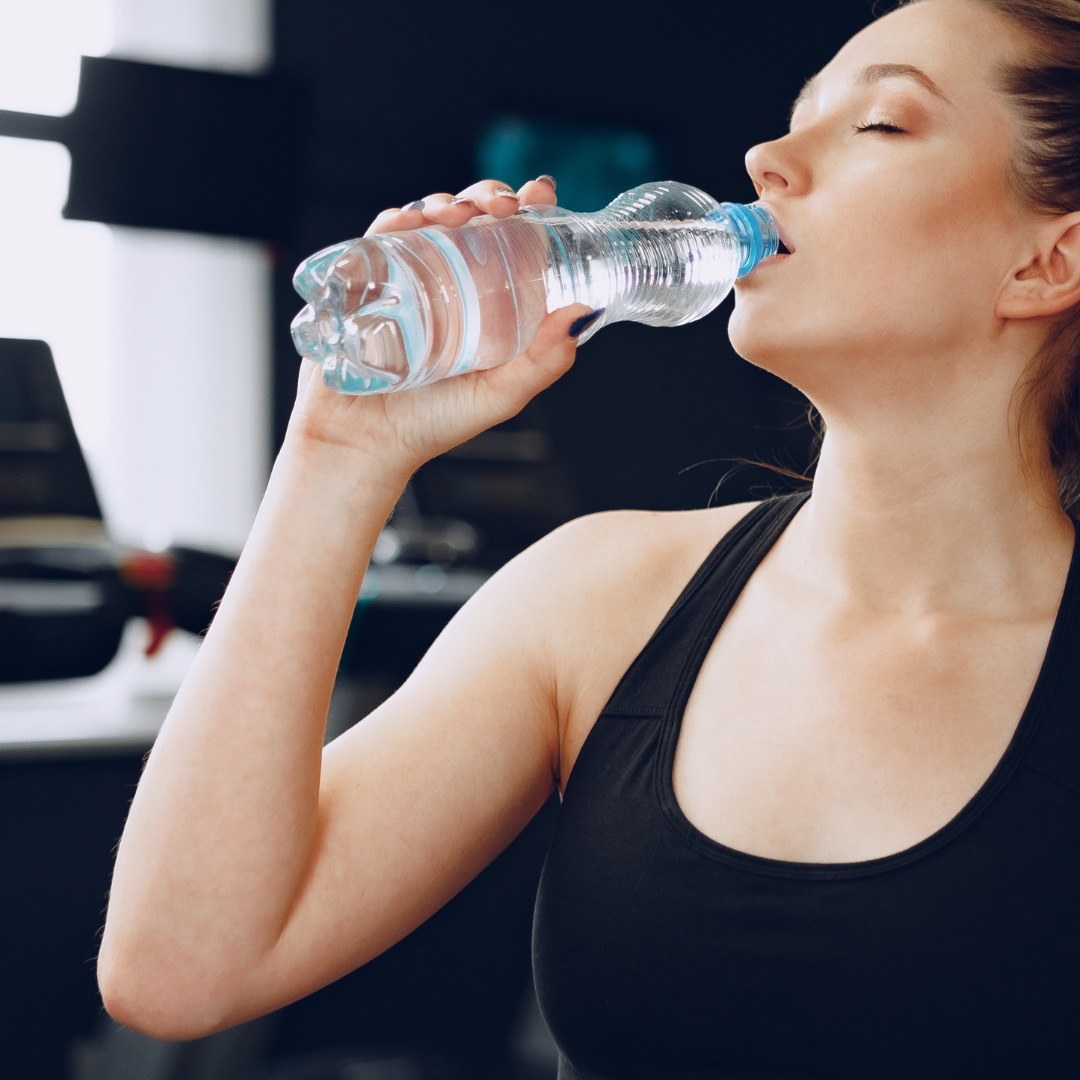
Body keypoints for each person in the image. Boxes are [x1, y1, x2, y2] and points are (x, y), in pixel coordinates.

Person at [98, 0, 1080, 1074]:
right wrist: (340, 456)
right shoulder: (597, 600)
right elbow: (180, 970)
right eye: (796, 116)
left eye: (881, 124)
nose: (764, 157)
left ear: (1047, 262)